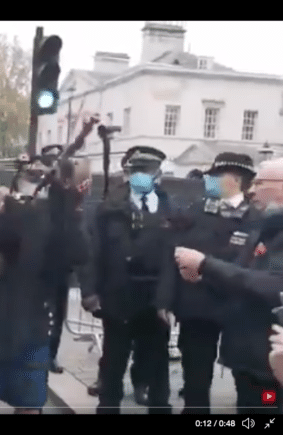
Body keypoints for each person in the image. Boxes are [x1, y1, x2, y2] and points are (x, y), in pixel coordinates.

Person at [0, 153, 90, 414]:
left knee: (18, 402)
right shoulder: (34, 219)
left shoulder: (53, 224)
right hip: (3, 320)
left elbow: (77, 255)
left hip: (18, 323)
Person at [174, 157, 283, 414]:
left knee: (266, 408)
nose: (252, 189)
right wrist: (204, 275)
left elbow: (272, 284)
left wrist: (206, 264)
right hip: (249, 355)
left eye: (260, 183)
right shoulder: (266, 227)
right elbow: (242, 270)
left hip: (269, 360)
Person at [80, 146, 175, 414]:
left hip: (155, 299)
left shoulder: (169, 207)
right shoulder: (109, 207)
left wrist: (167, 300)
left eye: (147, 172)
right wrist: (90, 292)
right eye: (137, 172)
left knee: (157, 367)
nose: (142, 177)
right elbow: (91, 252)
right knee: (113, 365)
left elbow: (173, 256)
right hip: (119, 296)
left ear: (158, 175)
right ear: (129, 175)